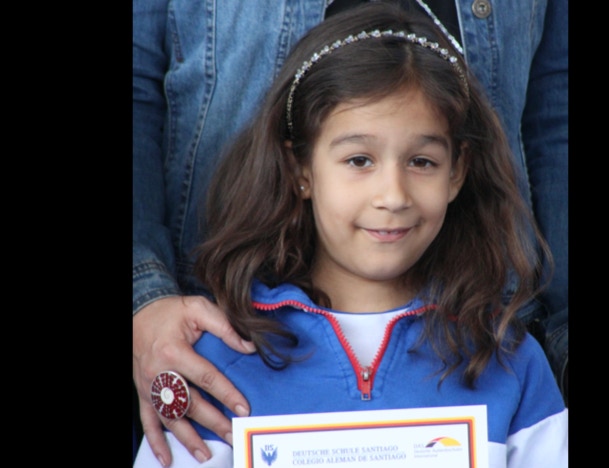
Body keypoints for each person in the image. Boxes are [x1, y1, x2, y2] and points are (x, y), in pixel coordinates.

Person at [133, 0, 568, 465]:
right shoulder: (217, 364)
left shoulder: (510, 359)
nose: (393, 195)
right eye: (359, 160)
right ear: (300, 169)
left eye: (422, 162)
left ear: (457, 172)